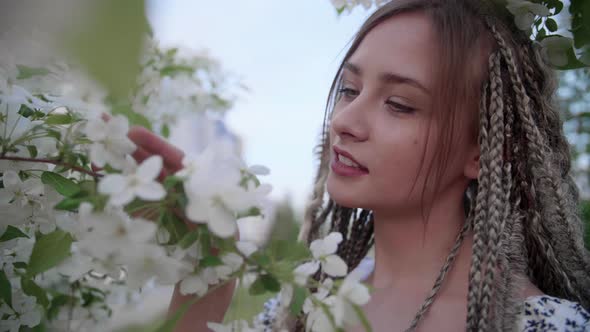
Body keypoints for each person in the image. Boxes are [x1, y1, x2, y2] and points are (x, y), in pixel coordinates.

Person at [128, 0, 590, 330]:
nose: (344, 121)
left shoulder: (546, 325)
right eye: (349, 90)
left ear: (484, 148)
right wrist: (208, 269)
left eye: (399, 104)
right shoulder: (299, 311)